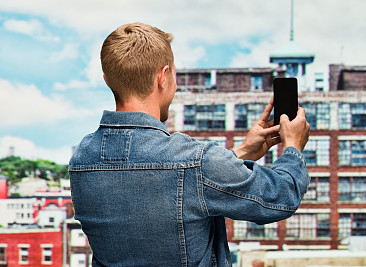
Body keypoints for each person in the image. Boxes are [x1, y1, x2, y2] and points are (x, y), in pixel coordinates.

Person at [69, 22, 310, 267]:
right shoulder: (197, 161)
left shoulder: (82, 159)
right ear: (163, 77)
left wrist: (241, 153)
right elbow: (281, 196)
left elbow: (170, 181)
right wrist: (293, 146)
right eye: (174, 74)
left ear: (107, 79)